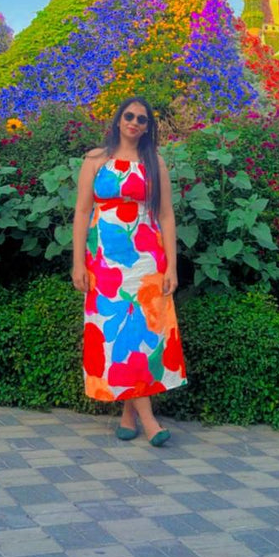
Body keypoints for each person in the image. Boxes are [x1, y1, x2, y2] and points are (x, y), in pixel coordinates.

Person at [72, 96, 187, 445]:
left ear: (148, 127)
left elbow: (166, 216)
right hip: (105, 261)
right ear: (118, 120)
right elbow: (81, 212)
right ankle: (147, 417)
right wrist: (78, 261)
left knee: (145, 334)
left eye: (142, 119)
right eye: (129, 116)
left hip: (147, 259)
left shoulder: (155, 163)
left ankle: (132, 413)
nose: (135, 122)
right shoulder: (95, 160)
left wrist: (172, 265)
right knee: (115, 333)